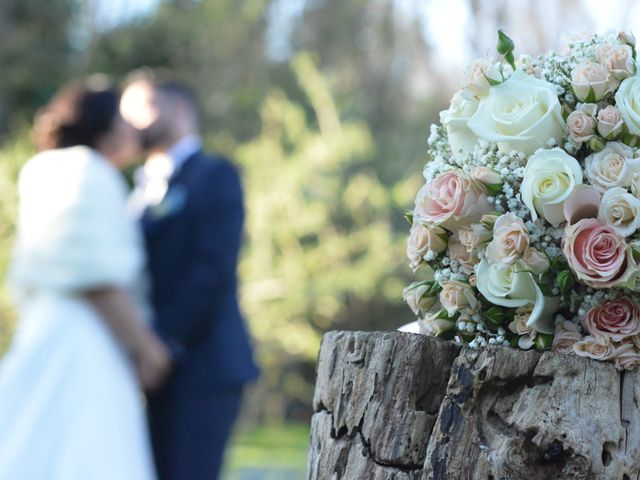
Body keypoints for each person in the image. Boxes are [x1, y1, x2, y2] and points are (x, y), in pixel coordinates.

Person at [0, 78, 172, 479]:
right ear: (107, 128)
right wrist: (148, 350)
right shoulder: (86, 170)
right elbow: (93, 274)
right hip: (83, 339)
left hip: (46, 328)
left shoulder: (43, 170)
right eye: (125, 121)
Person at [120, 72, 259, 480]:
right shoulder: (137, 189)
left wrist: (158, 344)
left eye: (140, 109)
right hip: (146, 365)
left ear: (179, 109)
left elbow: (210, 270)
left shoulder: (215, 175)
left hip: (202, 364)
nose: (130, 123)